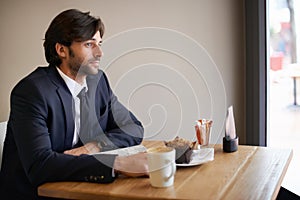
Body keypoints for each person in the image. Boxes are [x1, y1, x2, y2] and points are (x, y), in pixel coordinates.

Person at [0, 9, 148, 200]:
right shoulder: (32, 92)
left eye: (99, 44)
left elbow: (133, 127)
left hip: (77, 187)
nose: (99, 53)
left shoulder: (98, 81)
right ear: (61, 50)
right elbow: (40, 165)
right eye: (89, 44)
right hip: (36, 193)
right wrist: (115, 164)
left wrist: (94, 147)